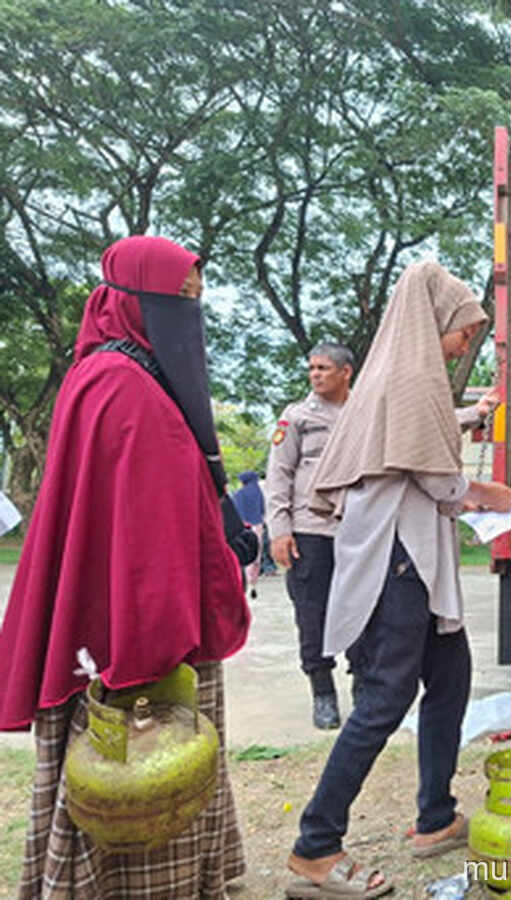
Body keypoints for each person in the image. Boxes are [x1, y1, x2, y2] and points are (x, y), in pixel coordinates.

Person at [0, 235, 251, 899]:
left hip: (135, 634)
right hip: (137, 652)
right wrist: (149, 661)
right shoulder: (122, 387)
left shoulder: (111, 375)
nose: (189, 320)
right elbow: (144, 548)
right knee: (137, 795)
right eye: (180, 303)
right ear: (135, 303)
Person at [284, 261, 511, 897]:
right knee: (386, 698)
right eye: (462, 330)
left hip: (410, 554)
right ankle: (315, 845)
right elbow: (436, 478)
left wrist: (467, 473)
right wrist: (487, 495)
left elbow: (422, 454)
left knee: (450, 677)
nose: (466, 341)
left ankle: (435, 816)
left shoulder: (400, 378)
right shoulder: (412, 376)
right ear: (431, 318)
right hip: (399, 560)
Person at [266, 342, 355, 729]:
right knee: (312, 614)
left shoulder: (365, 411)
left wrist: (475, 413)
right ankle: (323, 693)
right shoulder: (297, 416)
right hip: (310, 531)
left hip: (357, 531)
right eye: (312, 369)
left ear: (346, 372)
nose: (315, 374)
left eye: (324, 368)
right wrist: (280, 530)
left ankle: (365, 687)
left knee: (363, 610)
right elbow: (279, 474)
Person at [231, 470, 266, 597]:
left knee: (244, 552)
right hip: (257, 525)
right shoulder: (259, 492)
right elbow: (262, 509)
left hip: (243, 526)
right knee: (257, 552)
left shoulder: (239, 494)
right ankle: (254, 579)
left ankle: (246, 579)